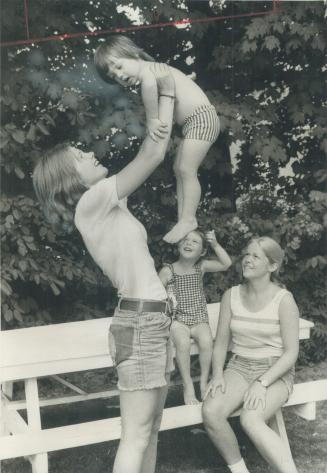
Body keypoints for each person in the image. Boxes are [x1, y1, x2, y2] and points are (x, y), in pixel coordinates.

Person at [33, 64, 175, 473]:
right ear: (67, 177)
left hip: (152, 320)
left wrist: (159, 96)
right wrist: (164, 93)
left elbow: (154, 149)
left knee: (151, 428)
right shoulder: (90, 203)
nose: (90, 153)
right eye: (80, 156)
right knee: (136, 434)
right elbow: (152, 151)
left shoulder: (108, 201)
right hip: (140, 323)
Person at [94, 35, 220, 244]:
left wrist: (152, 119)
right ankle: (184, 220)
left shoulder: (151, 72)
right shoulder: (156, 68)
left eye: (118, 66)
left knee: (187, 169)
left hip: (202, 119)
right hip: (194, 122)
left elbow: (150, 88)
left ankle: (188, 219)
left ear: (132, 53)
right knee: (180, 168)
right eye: (113, 76)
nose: (119, 75)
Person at [202, 236, 300, 473]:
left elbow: (291, 353)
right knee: (211, 412)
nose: (247, 260)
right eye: (247, 254)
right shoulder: (231, 295)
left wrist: (262, 383)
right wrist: (217, 375)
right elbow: (221, 342)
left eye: (256, 256)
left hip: (274, 370)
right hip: (239, 366)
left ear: (272, 266)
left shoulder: (283, 300)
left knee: (251, 419)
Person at [159, 229, 231, 405]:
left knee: (207, 342)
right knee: (182, 343)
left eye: (194, 242)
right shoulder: (168, 270)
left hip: (199, 318)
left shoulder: (201, 267)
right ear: (178, 245)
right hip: (178, 319)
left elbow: (226, 263)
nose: (188, 243)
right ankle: (188, 384)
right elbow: (155, 294)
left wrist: (214, 243)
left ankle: (204, 381)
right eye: (184, 240)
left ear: (203, 251)